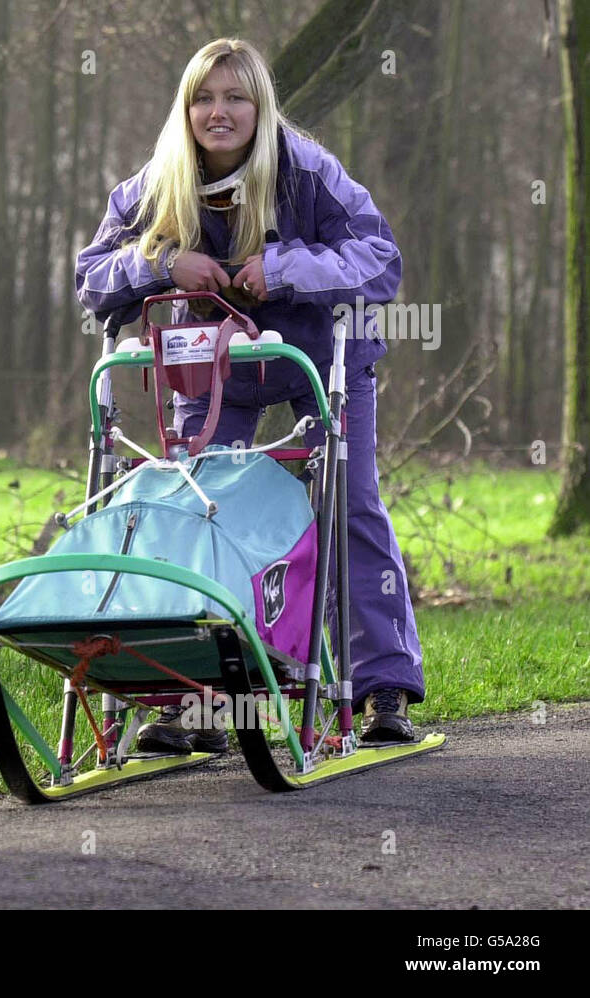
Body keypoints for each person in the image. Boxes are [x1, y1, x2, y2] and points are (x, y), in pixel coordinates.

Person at [74, 37, 424, 751]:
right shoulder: (157, 181)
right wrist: (166, 261)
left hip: (321, 355)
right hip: (215, 362)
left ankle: (380, 688)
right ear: (187, 108)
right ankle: (192, 698)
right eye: (204, 97)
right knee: (197, 508)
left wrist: (286, 266)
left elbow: (380, 257)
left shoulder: (306, 169)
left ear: (260, 107)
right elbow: (90, 274)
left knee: (348, 502)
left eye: (235, 97)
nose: (219, 111)